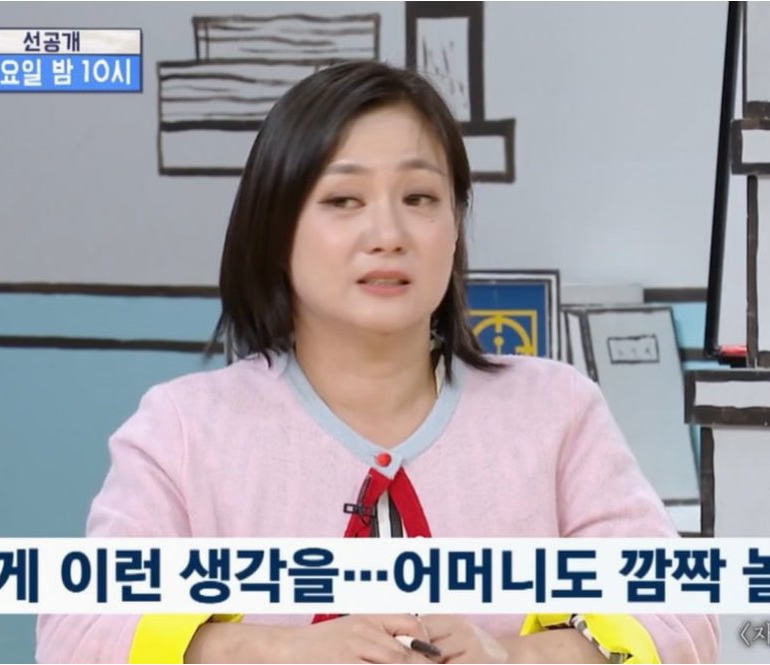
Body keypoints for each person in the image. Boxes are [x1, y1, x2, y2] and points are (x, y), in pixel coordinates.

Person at [36, 60, 718, 664]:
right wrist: (278, 650)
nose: (388, 234)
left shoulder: (556, 412)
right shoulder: (184, 429)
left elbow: (680, 618)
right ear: (275, 229)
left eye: (419, 198)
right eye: (343, 200)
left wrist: (515, 654)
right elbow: (78, 631)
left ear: (454, 225)